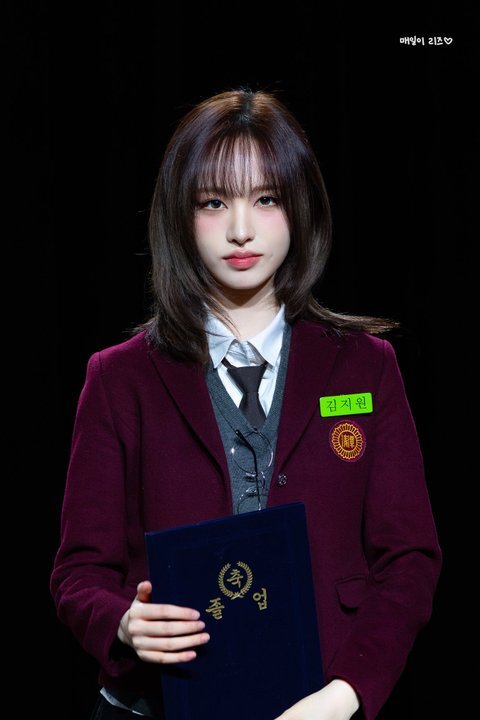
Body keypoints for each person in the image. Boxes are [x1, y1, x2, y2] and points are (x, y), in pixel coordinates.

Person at [51, 88, 441, 720]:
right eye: (213, 202)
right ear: (179, 214)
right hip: (156, 705)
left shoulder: (367, 368)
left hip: (323, 700)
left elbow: (409, 560)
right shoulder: (119, 379)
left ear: (301, 206)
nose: (240, 229)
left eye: (266, 199)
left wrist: (345, 694)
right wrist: (123, 622)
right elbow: (78, 573)